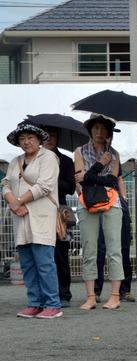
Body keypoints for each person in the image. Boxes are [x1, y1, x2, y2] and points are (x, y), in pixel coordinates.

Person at [2, 122, 62, 319]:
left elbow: (44, 186)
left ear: (38, 140)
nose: (26, 142)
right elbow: (5, 184)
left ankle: (53, 304)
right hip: (20, 217)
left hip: (41, 216)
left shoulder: (49, 157)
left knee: (44, 262)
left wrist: (19, 201)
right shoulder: (15, 161)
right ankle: (35, 303)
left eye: (30, 138)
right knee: (27, 262)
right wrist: (13, 202)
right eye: (22, 139)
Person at [74, 114, 125, 310]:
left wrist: (89, 175)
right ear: (90, 130)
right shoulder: (79, 151)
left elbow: (113, 181)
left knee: (114, 249)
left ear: (108, 133)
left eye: (103, 129)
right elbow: (79, 179)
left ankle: (115, 295)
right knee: (89, 249)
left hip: (111, 201)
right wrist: (99, 165)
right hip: (87, 202)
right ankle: (90, 296)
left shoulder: (115, 153)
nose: (99, 132)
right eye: (95, 128)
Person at [41, 126, 76, 308]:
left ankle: (64, 293)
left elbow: (70, 188)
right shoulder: (31, 161)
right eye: (45, 135)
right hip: (37, 211)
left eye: (52, 135)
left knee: (61, 254)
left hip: (59, 212)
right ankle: (44, 294)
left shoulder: (66, 161)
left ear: (58, 138)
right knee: (41, 255)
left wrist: (52, 178)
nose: (48, 139)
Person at [95, 161, 134, 303]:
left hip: (117, 202)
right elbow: (79, 179)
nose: (101, 137)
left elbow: (119, 178)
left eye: (106, 136)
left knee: (122, 248)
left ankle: (124, 290)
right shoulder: (84, 154)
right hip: (95, 202)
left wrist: (124, 197)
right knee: (98, 249)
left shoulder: (113, 156)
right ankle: (95, 291)